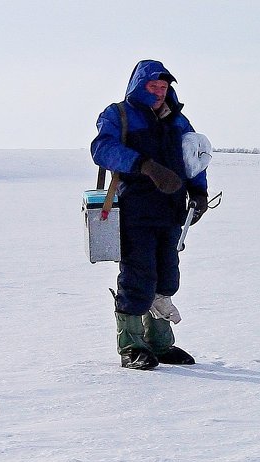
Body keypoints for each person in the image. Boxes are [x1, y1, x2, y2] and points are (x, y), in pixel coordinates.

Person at [90, 60, 209, 370]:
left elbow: (193, 158)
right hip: (134, 210)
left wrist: (199, 192)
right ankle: (131, 345)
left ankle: (159, 343)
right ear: (138, 86)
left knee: (167, 276)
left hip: (171, 210)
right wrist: (144, 165)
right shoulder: (119, 115)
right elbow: (102, 148)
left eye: (163, 87)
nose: (159, 92)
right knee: (137, 277)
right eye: (153, 86)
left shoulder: (178, 121)